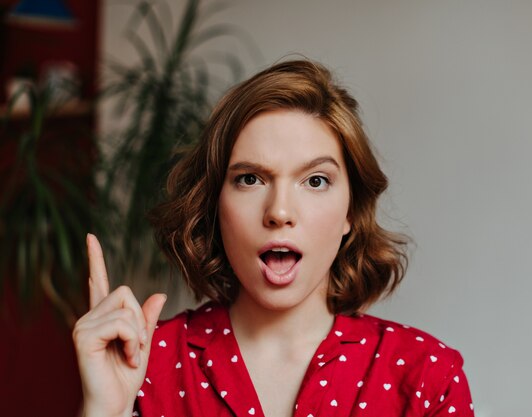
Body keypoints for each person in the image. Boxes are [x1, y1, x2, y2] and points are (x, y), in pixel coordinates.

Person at [73, 60, 474, 417]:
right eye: (250, 179)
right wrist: (105, 411)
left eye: (315, 181)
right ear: (215, 203)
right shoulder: (145, 365)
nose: (279, 211)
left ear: (351, 210)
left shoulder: (427, 378)